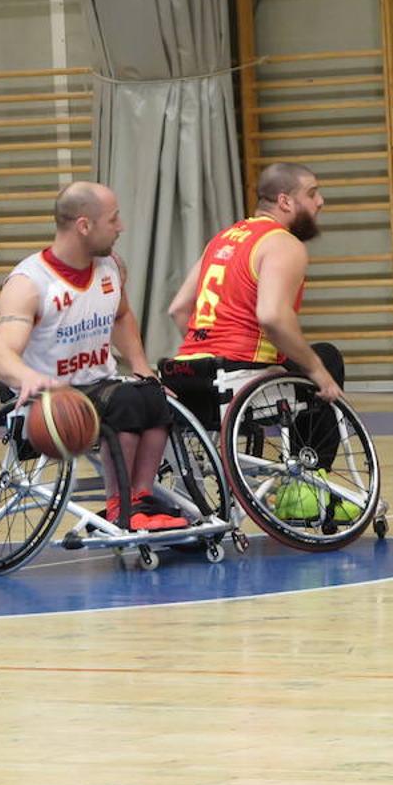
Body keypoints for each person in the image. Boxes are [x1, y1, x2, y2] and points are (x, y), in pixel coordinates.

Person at [164, 162, 356, 522]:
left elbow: (178, 309)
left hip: (190, 371)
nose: (321, 201)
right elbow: (271, 316)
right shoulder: (283, 243)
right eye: (312, 193)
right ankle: (306, 490)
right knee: (323, 360)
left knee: (300, 363)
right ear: (285, 201)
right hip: (238, 375)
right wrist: (319, 373)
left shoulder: (221, 239)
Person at [0, 181, 186, 530]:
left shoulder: (109, 267)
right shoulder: (29, 283)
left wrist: (142, 367)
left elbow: (122, 315)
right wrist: (28, 377)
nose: (121, 227)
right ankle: (118, 505)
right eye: (113, 220)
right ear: (84, 225)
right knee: (126, 401)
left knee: (152, 395)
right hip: (45, 394)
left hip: (97, 385)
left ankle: (139, 497)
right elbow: (2, 355)